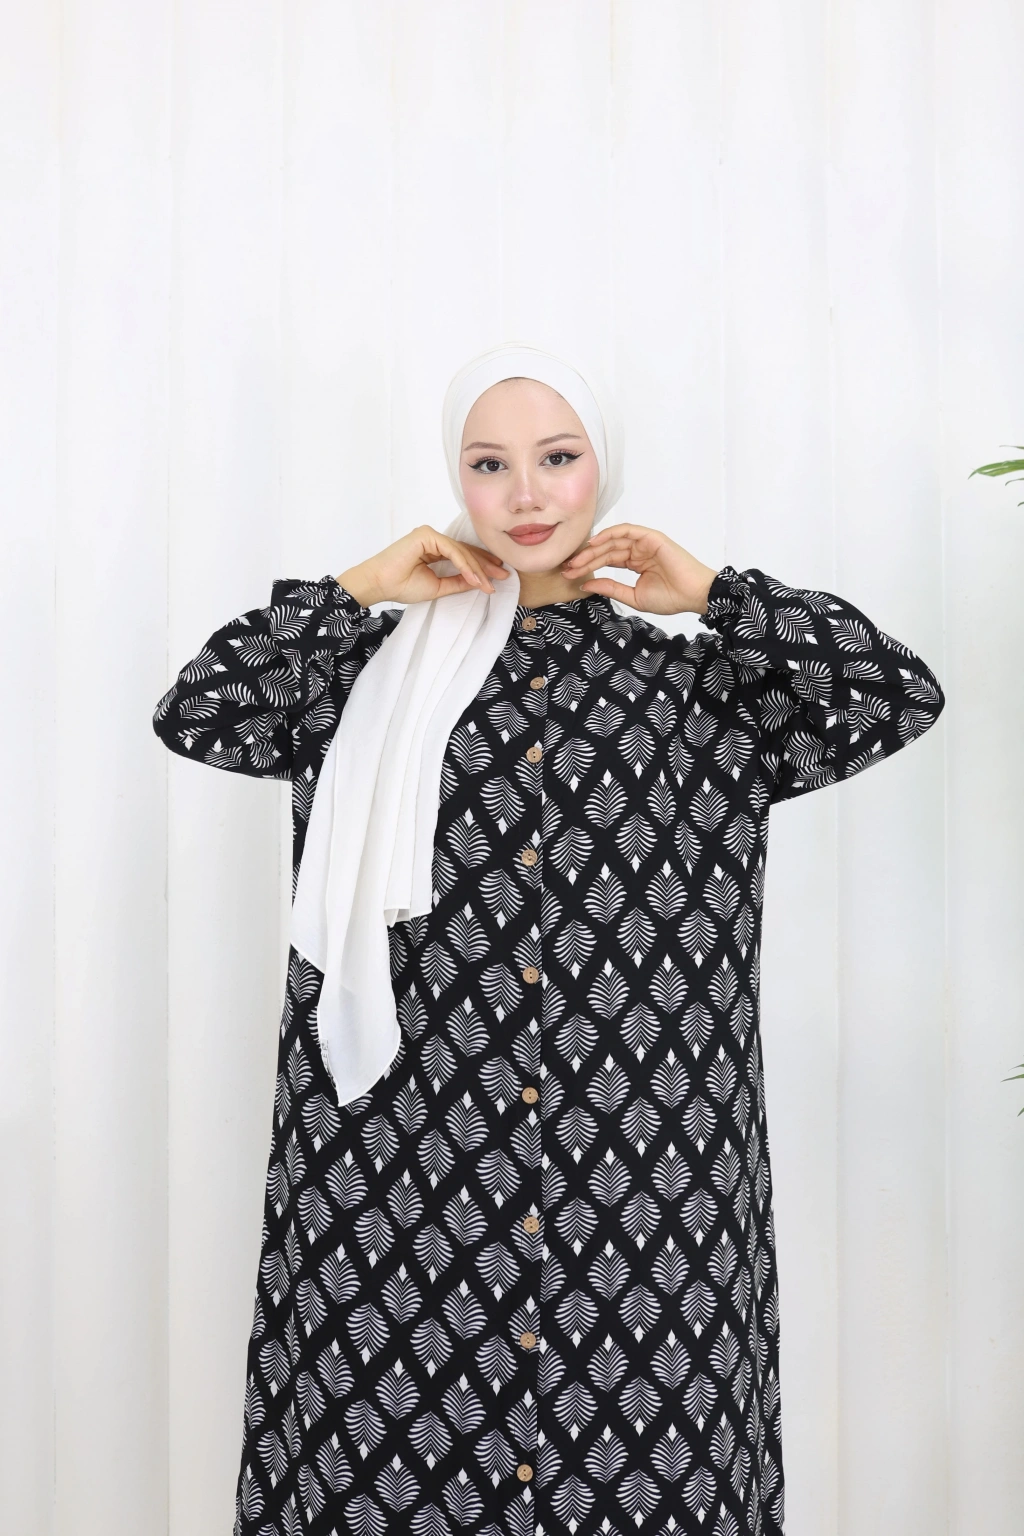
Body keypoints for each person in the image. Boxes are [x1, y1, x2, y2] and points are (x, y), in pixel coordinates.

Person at [153, 343, 944, 1536]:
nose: (525, 495)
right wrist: (362, 587)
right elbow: (202, 710)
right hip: (406, 1185)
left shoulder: (701, 692)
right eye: (489, 465)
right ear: (456, 481)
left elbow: (894, 693)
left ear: (599, 469)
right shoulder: (367, 679)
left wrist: (718, 594)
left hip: (647, 1194)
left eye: (557, 458)